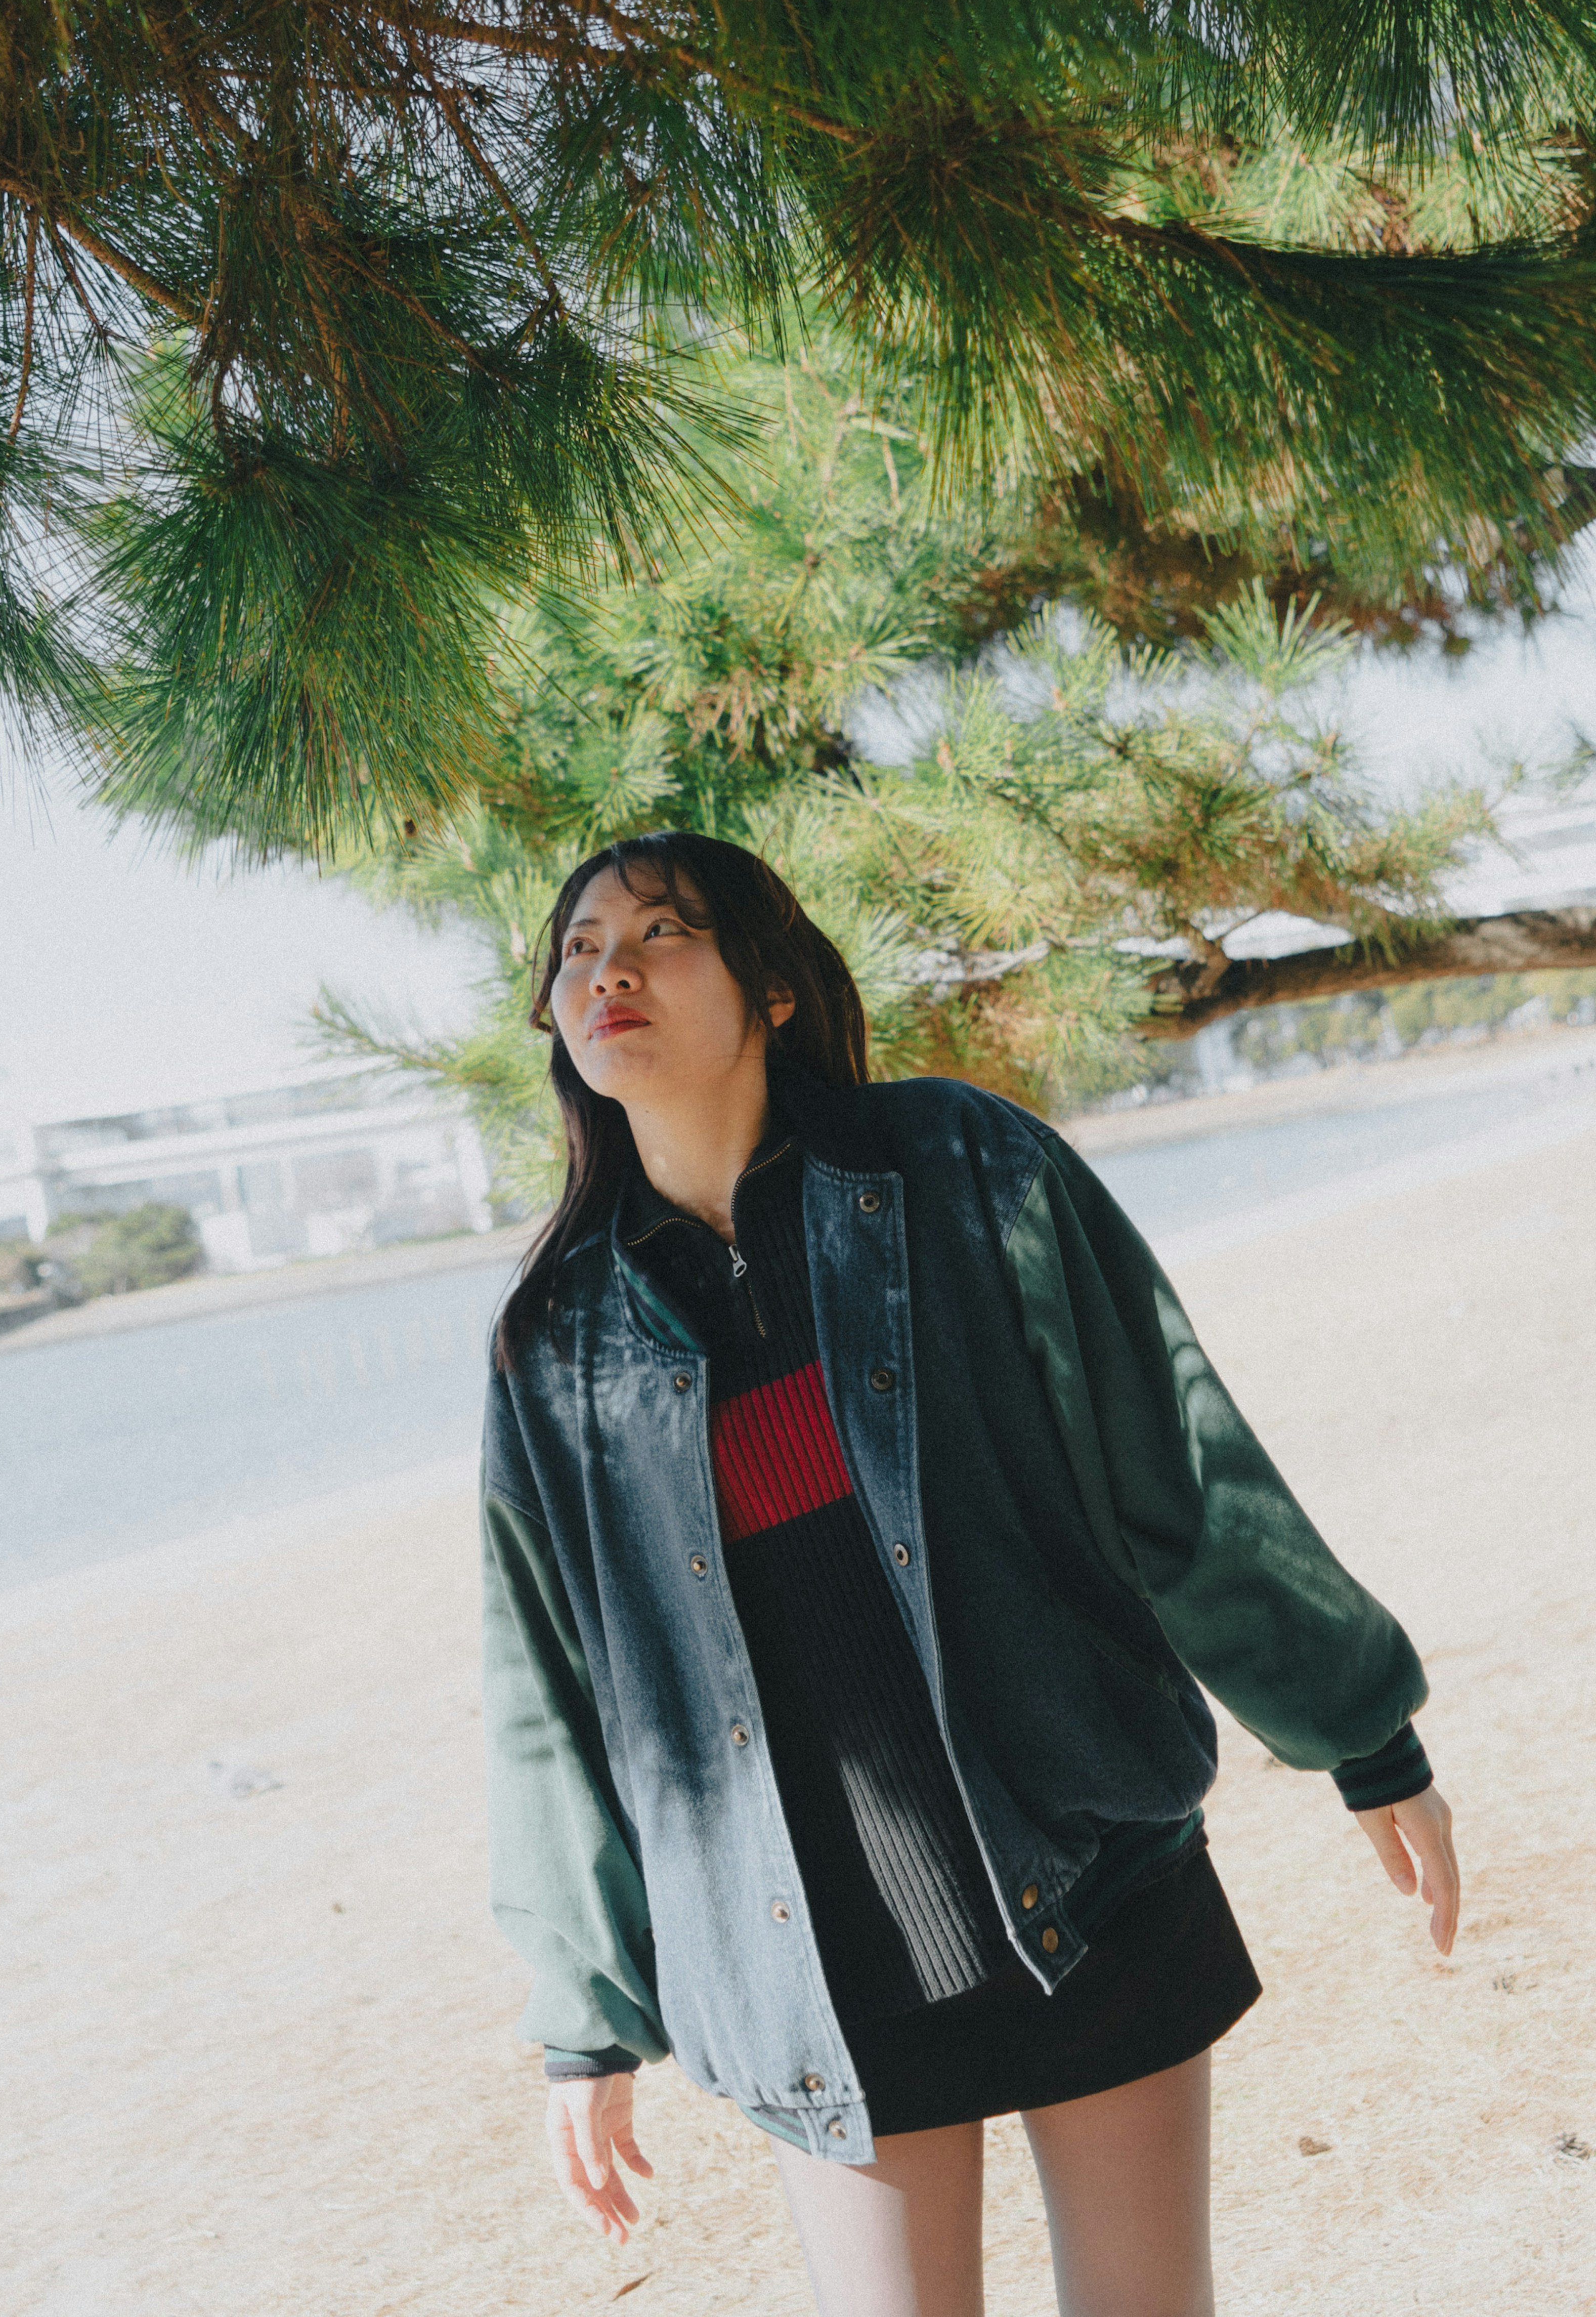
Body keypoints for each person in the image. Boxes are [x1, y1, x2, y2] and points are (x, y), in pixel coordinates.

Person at [481, 832, 1459, 2317]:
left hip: (1088, 1879)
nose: (609, 967)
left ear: (775, 987)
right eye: (578, 948)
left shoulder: (958, 1166)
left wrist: (1364, 1734)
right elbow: (551, 1694)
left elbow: (1173, 1459)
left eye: (664, 931)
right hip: (808, 1967)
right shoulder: (558, 1338)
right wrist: (585, 2027)